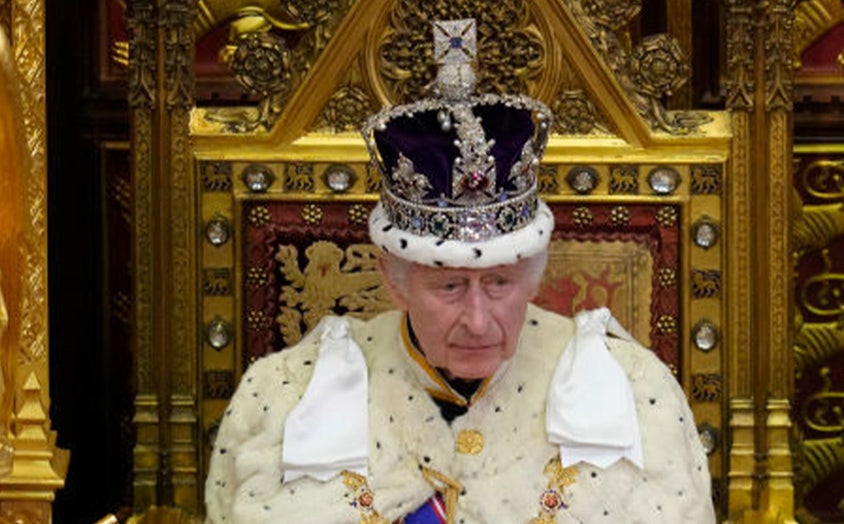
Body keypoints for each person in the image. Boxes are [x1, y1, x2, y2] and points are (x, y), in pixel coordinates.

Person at [205, 19, 715, 523]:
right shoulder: (286, 394)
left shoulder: (632, 388)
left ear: (534, 274)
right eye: (449, 286)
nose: (477, 319)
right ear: (393, 279)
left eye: (499, 283)